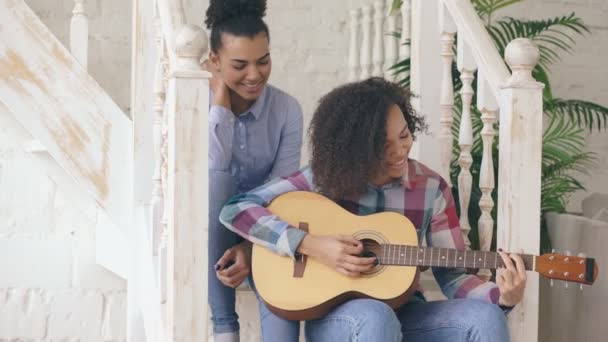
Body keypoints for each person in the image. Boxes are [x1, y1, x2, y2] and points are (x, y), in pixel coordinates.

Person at [219, 78, 527, 342]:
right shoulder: (325, 178)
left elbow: (454, 275)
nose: (399, 151)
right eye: (383, 144)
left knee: (485, 317)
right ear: (356, 147)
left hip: (407, 312)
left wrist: (502, 296)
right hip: (337, 318)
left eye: (404, 136)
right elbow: (236, 209)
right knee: (376, 316)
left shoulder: (431, 188)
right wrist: (312, 244)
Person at [205, 1, 304, 341]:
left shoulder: (287, 109)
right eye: (239, 64)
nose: (254, 74)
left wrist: (252, 247)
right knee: (217, 181)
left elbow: (283, 191)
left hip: (264, 226)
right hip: (206, 228)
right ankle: (225, 329)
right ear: (214, 62)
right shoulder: (194, 103)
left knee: (281, 287)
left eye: (263, 61)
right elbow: (213, 167)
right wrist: (219, 100)